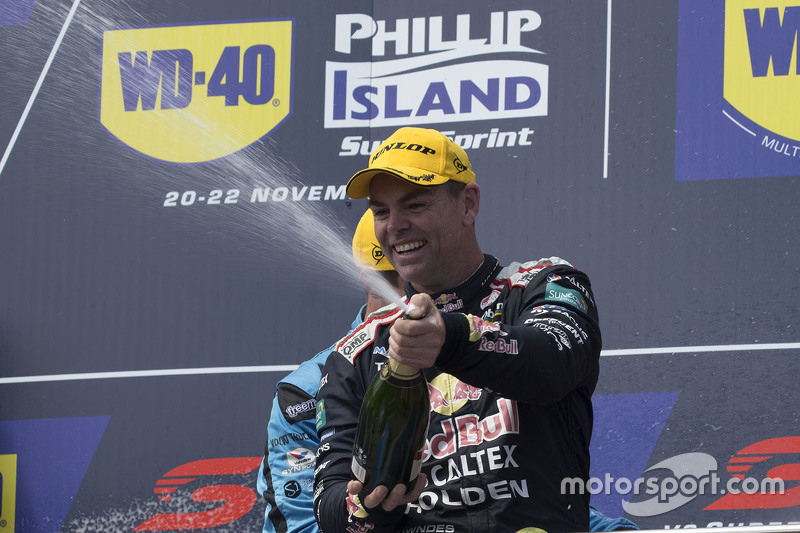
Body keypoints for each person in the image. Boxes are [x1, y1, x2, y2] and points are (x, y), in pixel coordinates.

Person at [314, 127, 603, 532]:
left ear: (468, 204)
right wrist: (371, 505)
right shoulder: (355, 354)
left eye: (414, 205)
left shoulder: (543, 285)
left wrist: (450, 337)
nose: (394, 226)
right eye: (381, 211)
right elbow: (331, 509)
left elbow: (553, 361)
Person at [256, 210, 405, 533]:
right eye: (402, 276)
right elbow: (301, 523)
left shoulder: (468, 354)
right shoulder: (306, 390)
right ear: (368, 278)